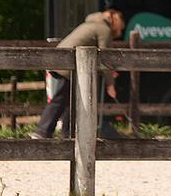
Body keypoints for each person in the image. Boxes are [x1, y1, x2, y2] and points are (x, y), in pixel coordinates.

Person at [31, 9, 125, 138]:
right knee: (61, 99)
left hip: (60, 59)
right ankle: (42, 131)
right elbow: (105, 57)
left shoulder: (90, 24)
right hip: (69, 64)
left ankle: (67, 133)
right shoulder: (104, 29)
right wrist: (110, 84)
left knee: (69, 100)